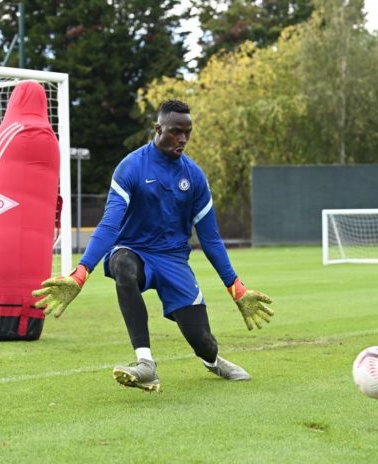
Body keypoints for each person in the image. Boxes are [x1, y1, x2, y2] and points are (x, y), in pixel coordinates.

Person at [32, 100, 274, 392]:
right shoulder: (131, 167)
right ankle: (145, 364)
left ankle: (213, 361)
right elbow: (109, 225)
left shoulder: (194, 177)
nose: (182, 139)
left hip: (174, 261)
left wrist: (236, 287)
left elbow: (209, 238)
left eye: (187, 132)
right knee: (122, 264)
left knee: (203, 342)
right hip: (135, 251)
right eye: (175, 131)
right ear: (158, 129)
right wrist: (81, 272)